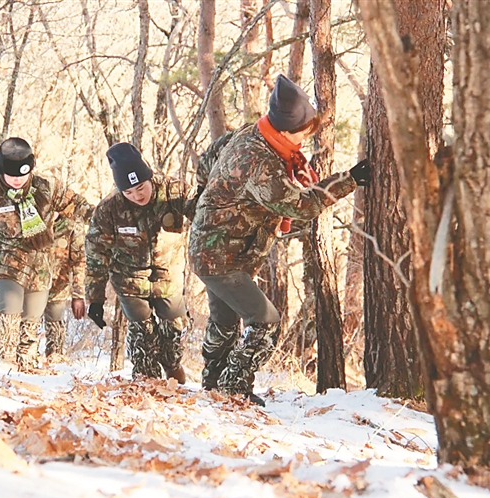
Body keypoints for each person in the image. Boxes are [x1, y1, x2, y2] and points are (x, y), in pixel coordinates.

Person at [189, 74, 371, 405]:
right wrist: (350, 180)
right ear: (286, 131)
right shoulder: (259, 161)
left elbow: (208, 160)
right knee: (265, 321)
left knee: (225, 320)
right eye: (303, 132)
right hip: (219, 258)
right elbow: (299, 206)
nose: (306, 139)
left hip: (216, 248)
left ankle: (213, 384)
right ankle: (232, 388)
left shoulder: (252, 133)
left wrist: (209, 195)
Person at [0, 137, 92, 371]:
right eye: (12, 176)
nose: (18, 180)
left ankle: (26, 363)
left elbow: (79, 206)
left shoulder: (47, 187)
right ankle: (3, 361)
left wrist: (106, 220)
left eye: (23, 174)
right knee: (9, 304)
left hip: (40, 263)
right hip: (4, 260)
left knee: (32, 313)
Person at [86, 143, 198, 383]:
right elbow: (96, 254)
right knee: (143, 337)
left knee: (174, 333)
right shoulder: (109, 209)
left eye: (140, 188)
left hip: (168, 277)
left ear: (149, 177)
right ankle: (146, 386)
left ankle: (172, 367)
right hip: (130, 281)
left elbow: (204, 213)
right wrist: (95, 298)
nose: (137, 196)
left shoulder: (174, 191)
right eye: (128, 192)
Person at [44, 214, 86, 361]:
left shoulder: (72, 223)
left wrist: (78, 295)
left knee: (55, 329)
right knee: (25, 327)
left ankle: (54, 361)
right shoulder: (31, 215)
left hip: (57, 287)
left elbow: (79, 261)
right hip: (29, 286)